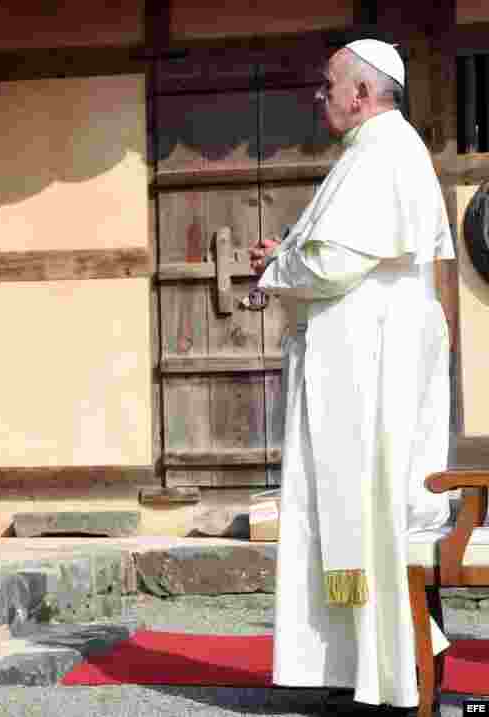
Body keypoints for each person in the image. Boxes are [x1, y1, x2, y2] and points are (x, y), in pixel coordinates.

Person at [249, 39, 455, 713]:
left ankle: (388, 673)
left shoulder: (383, 152)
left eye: (330, 84)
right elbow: (342, 247)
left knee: (365, 511)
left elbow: (335, 259)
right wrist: (289, 253)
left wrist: (279, 267)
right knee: (355, 515)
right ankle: (364, 666)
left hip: (370, 366)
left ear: (364, 94)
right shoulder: (378, 152)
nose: (321, 95)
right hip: (365, 356)